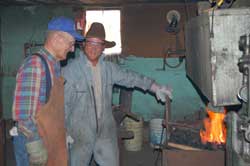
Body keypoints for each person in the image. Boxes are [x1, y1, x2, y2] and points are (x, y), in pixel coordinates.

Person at [63, 22, 172, 166]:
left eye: (99, 44)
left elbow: (131, 77)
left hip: (105, 130)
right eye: (90, 43)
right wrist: (63, 131)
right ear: (83, 45)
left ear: (103, 48)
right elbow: (63, 103)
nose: (94, 47)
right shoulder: (71, 71)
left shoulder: (109, 69)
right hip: (80, 131)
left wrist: (155, 87)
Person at [11, 16, 84, 166]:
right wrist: (35, 147)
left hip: (48, 136)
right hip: (33, 141)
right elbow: (24, 114)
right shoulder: (35, 64)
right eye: (71, 43)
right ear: (57, 38)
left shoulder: (55, 65)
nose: (72, 49)